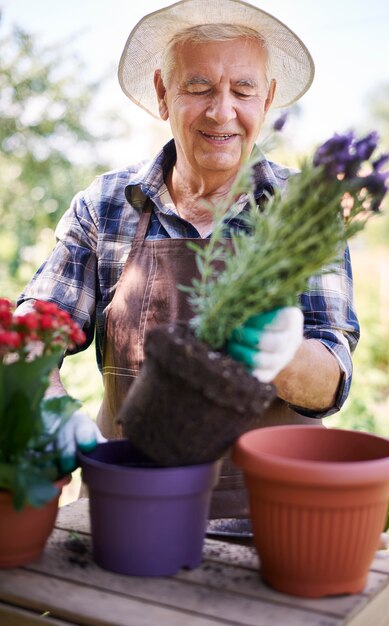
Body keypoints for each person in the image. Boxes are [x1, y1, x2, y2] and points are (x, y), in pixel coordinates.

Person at [17, 0, 359, 519]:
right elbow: (32, 334)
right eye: (198, 87)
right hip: (130, 510)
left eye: (243, 90)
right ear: (162, 93)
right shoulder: (106, 205)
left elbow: (332, 377)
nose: (222, 111)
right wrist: (52, 407)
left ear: (266, 99)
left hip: (271, 524)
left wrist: (286, 355)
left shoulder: (303, 213)